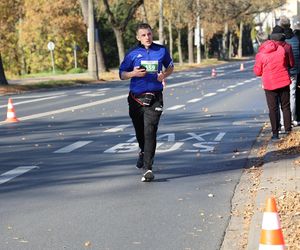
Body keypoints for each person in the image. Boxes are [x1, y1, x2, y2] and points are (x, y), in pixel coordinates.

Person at [119, 23, 174, 182]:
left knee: (150, 131)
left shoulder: (161, 50)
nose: (147, 37)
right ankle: (143, 151)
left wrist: (164, 75)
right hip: (136, 98)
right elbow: (122, 74)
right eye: (143, 35)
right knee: (140, 131)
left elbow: (170, 67)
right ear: (138, 37)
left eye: (149, 34)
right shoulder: (132, 53)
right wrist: (133, 73)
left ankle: (148, 168)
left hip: (155, 97)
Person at [253, 31, 292, 140]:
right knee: (285, 106)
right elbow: (286, 63)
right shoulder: (280, 49)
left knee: (273, 108)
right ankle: (288, 130)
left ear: (259, 41)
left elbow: (257, 72)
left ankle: (275, 133)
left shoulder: (260, 55)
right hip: (284, 81)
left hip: (270, 84)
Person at [279, 16, 300, 127]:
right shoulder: (296, 39)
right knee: (292, 95)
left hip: (283, 71)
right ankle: (292, 118)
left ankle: (283, 121)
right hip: (294, 71)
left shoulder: (281, 41)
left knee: (282, 97)